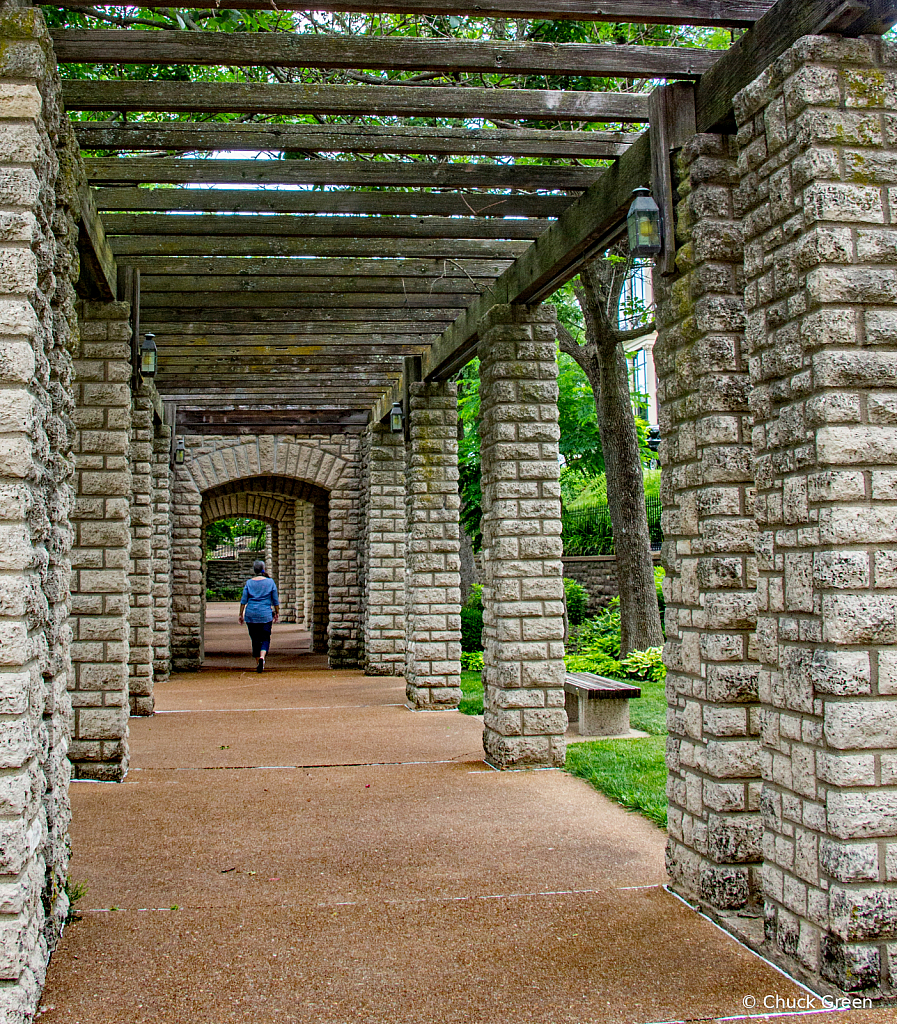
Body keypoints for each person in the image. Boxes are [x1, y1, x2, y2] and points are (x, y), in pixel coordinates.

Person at [238, 560, 280, 673]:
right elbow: (275, 600)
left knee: (255, 639)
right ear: (263, 569)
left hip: (251, 614)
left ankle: (258, 662)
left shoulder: (249, 583)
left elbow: (243, 601)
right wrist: (277, 612)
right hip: (265, 614)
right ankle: (262, 657)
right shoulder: (270, 582)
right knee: (265, 637)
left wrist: (240, 614)